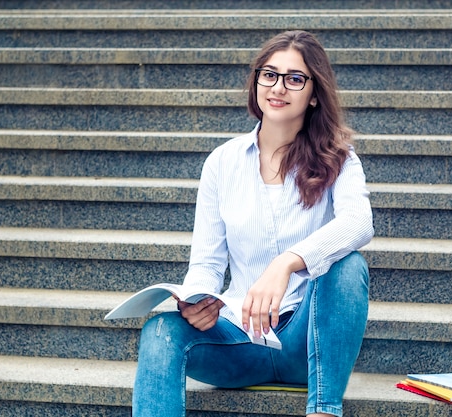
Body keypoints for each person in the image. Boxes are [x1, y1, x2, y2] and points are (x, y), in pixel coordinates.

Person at [132, 30, 374, 417]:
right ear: (257, 81)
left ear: (314, 94)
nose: (278, 87)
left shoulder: (339, 159)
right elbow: (208, 264)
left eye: (295, 78)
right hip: (239, 340)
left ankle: (324, 410)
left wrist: (287, 262)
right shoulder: (222, 163)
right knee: (160, 332)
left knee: (348, 265)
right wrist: (199, 300)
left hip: (306, 343)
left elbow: (359, 222)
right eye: (269, 74)